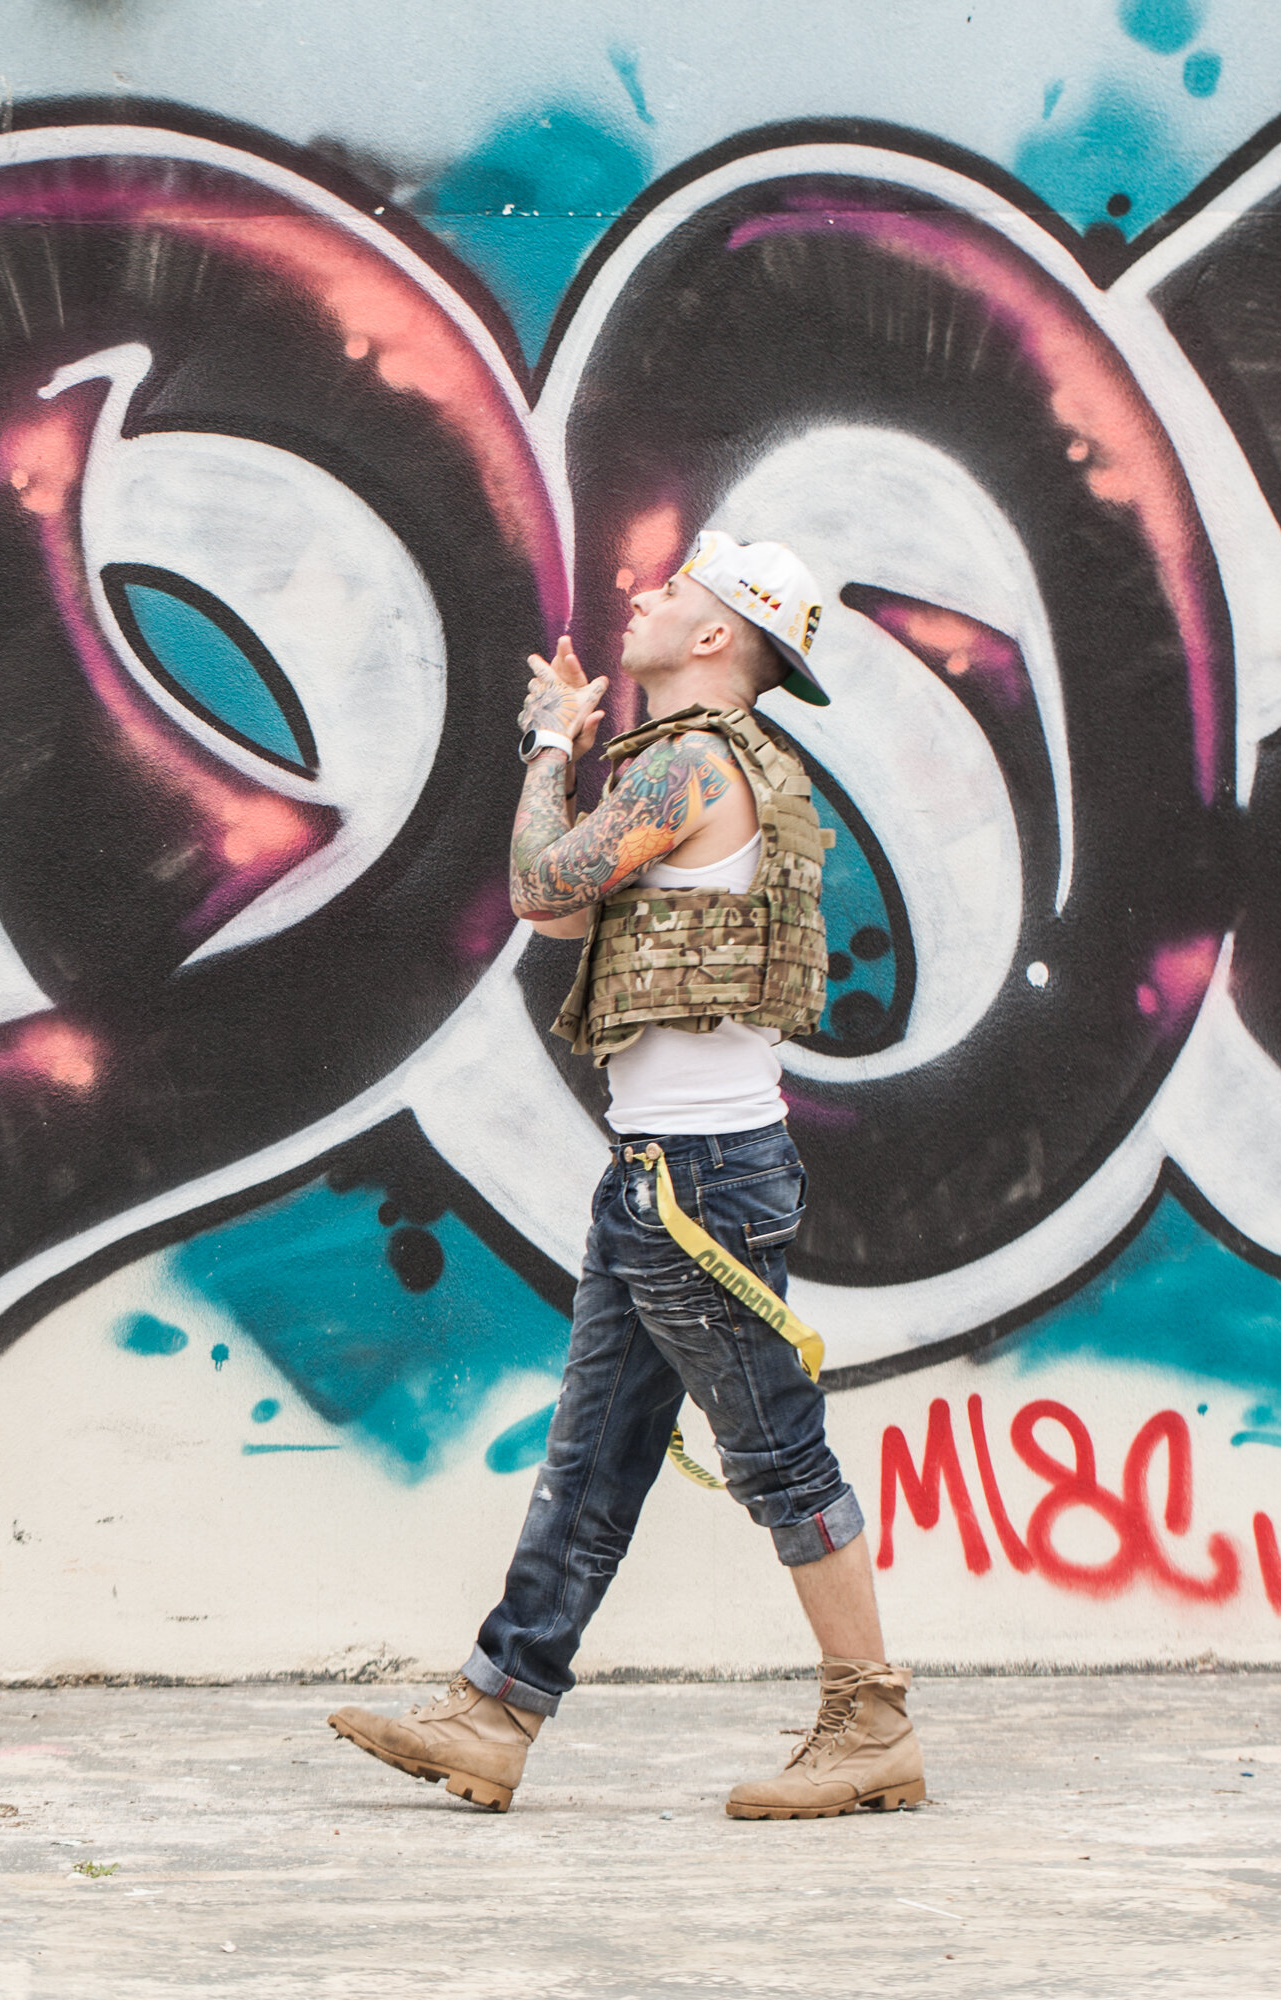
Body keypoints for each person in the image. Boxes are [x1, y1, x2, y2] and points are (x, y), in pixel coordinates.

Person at [327, 531, 926, 1821]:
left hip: (699, 1185)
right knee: (596, 1455)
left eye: (672, 590)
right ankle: (495, 1710)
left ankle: (870, 1719)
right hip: (665, 1177)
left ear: (717, 637)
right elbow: (567, 909)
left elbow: (543, 884)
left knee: (775, 1454)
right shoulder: (707, 771)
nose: (639, 598)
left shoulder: (697, 766)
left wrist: (551, 741)